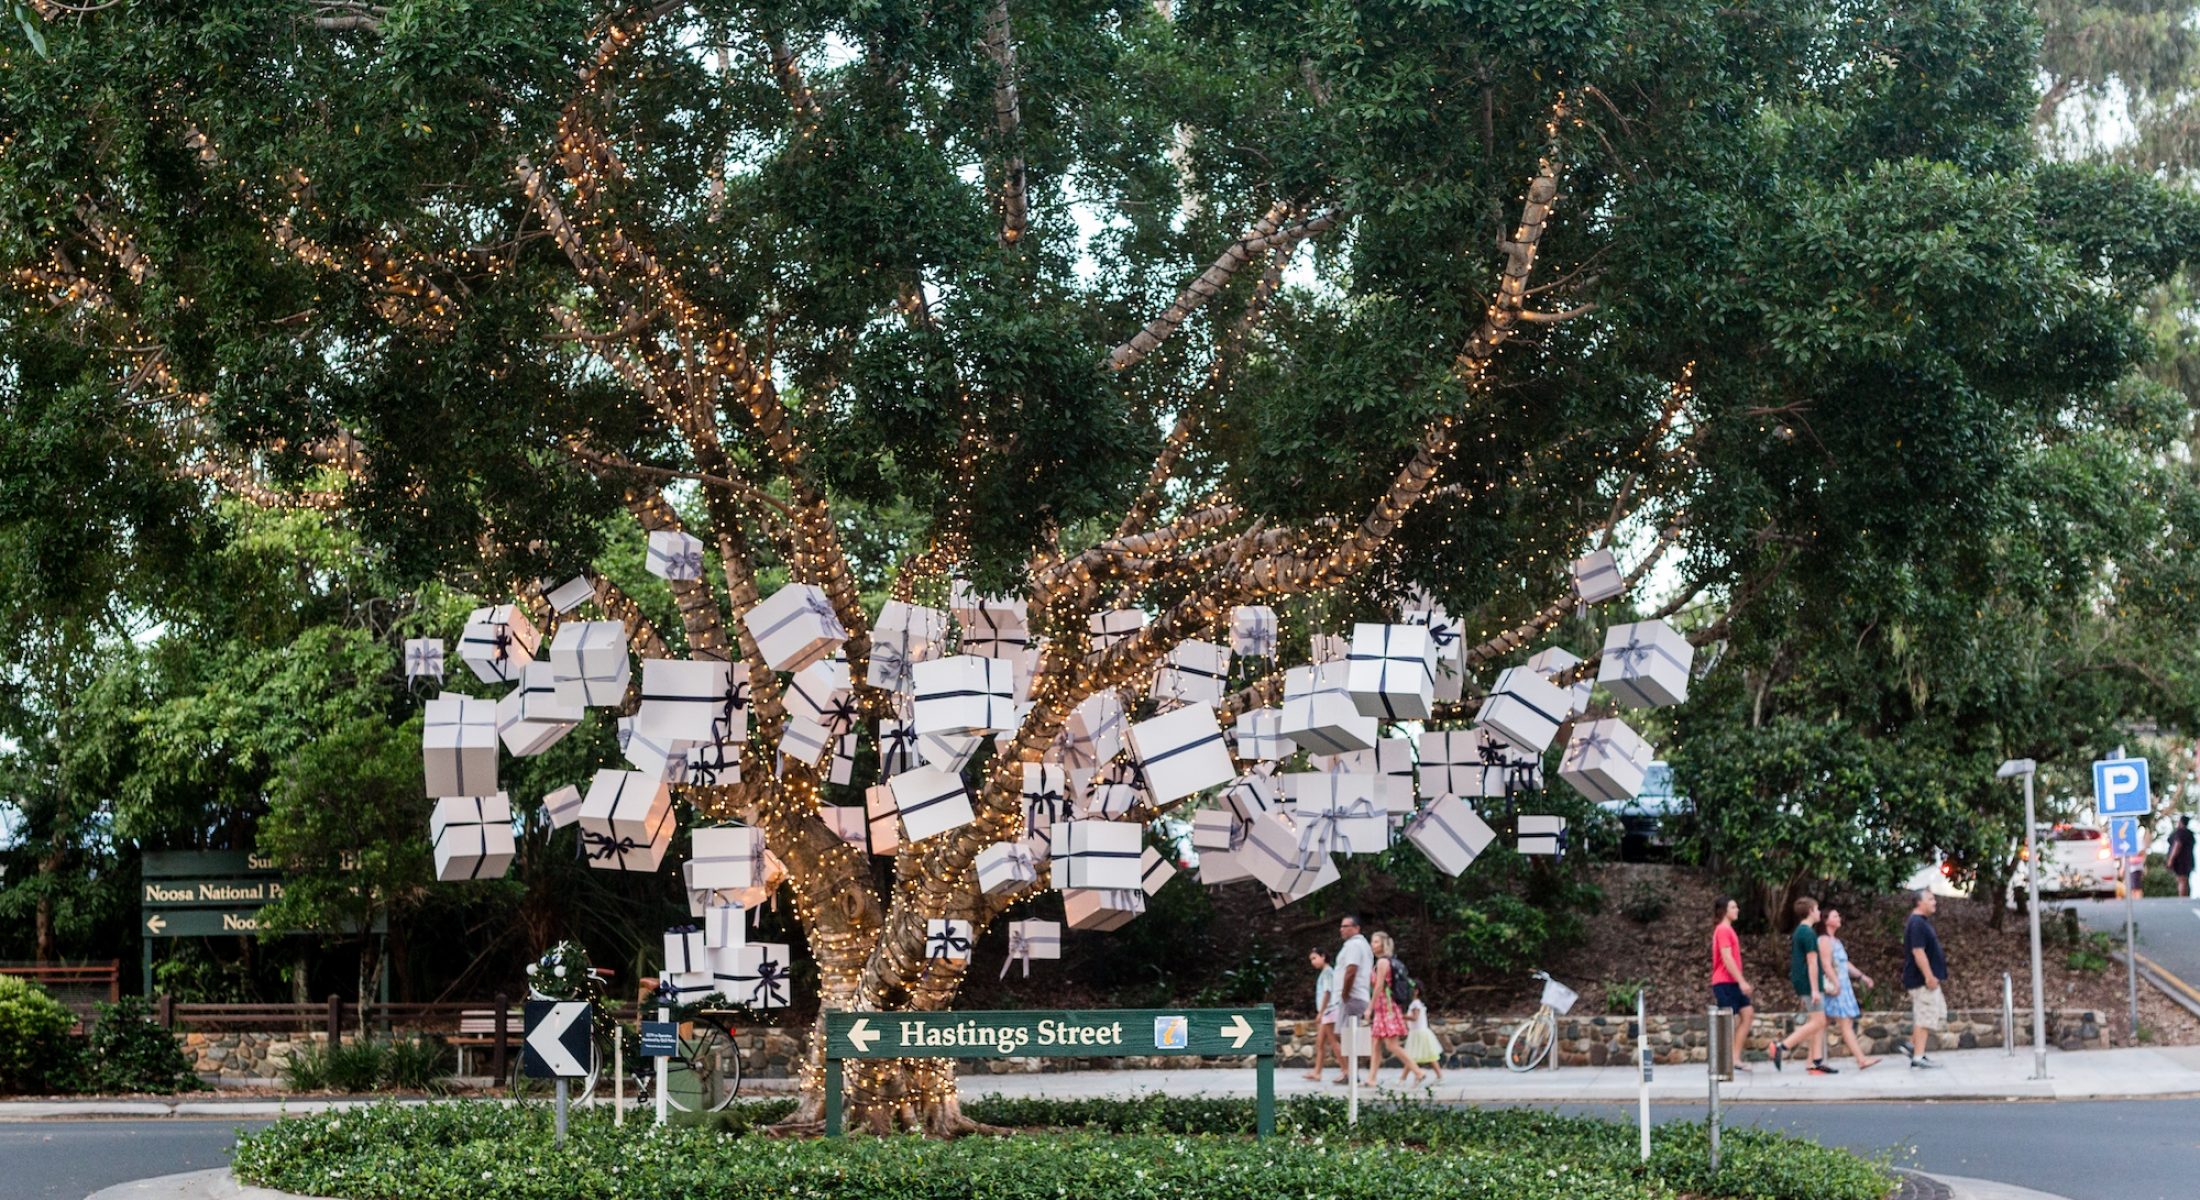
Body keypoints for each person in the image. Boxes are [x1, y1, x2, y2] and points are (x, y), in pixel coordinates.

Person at [1770, 897, 1835, 1074]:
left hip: (1804, 981)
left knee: (1816, 1022)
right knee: (1819, 1021)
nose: (1819, 912)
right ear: (1810, 911)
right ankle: (1782, 1046)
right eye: (1817, 909)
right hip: (1809, 983)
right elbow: (1812, 962)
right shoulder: (1808, 934)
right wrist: (1815, 989)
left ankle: (1815, 1061)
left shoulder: (1801, 931)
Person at [1817, 908, 1880, 1070]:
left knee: (1823, 1022)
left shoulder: (1835, 941)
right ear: (1826, 921)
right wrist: (1836, 982)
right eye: (1835, 916)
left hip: (1842, 986)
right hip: (1836, 987)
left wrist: (1861, 976)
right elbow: (1825, 964)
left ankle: (1813, 1059)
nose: (1839, 918)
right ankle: (1861, 1059)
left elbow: (1844, 964)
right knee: (1843, 1022)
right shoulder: (1824, 940)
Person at [1362, 931, 1426, 1086]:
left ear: (1383, 944)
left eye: (1376, 942)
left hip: (1386, 1006)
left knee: (1391, 1045)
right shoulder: (1382, 962)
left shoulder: (1383, 962)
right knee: (1376, 1043)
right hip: (1384, 1006)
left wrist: (1369, 1008)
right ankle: (1371, 1078)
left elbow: (1378, 986)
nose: (1373, 944)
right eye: (1372, 941)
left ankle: (1418, 1071)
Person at [1903, 889, 1948, 1069]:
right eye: (1930, 899)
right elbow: (1918, 951)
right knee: (1925, 1015)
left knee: (1933, 1013)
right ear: (1919, 903)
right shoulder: (1917, 924)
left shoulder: (1921, 923)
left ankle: (1913, 1046)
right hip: (1922, 980)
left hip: (1927, 980)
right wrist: (1928, 976)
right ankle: (1918, 1056)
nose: (1934, 902)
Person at [1709, 896, 1756, 1070]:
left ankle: (1734, 1058)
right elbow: (1727, 958)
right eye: (1733, 907)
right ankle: (1722, 1061)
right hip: (1724, 982)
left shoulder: (1728, 930)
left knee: (1747, 1013)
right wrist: (1742, 981)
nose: (1737, 910)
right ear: (1724, 911)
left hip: (1732, 982)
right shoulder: (1723, 930)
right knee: (1729, 1021)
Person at [1333, 915, 1373, 1085]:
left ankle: (1357, 1073)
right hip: (1357, 995)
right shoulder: (1360, 944)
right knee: (1350, 1036)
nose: (1341, 929)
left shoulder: (1355, 945)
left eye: (1345, 926)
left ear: (1356, 928)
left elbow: (1351, 970)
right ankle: (1352, 1072)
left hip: (1353, 996)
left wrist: (1345, 994)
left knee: (1350, 1036)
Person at [1305, 948, 1340, 1082]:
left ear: (1323, 956)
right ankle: (1317, 1072)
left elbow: (1327, 992)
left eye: (1314, 958)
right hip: (1327, 1012)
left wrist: (1321, 1012)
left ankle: (1346, 1070)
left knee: (1333, 1041)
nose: (1313, 962)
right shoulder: (1325, 973)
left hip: (1329, 1012)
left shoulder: (1327, 973)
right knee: (1320, 1043)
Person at [1404, 995, 1444, 1082]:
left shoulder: (1415, 1003)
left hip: (1419, 1034)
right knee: (1414, 1056)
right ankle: (1404, 1078)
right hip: (1417, 1033)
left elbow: (1415, 1018)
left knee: (1412, 1056)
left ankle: (1403, 1078)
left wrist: (1400, 1016)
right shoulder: (1416, 1003)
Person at [2169, 816, 2195, 898]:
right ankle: (2186, 897)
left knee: (2181, 879)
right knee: (2185, 879)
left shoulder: (2180, 833)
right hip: (2189, 860)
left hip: (2181, 861)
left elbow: (2177, 845)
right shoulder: (2190, 833)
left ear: (2180, 822)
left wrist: (2171, 859)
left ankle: (2182, 898)